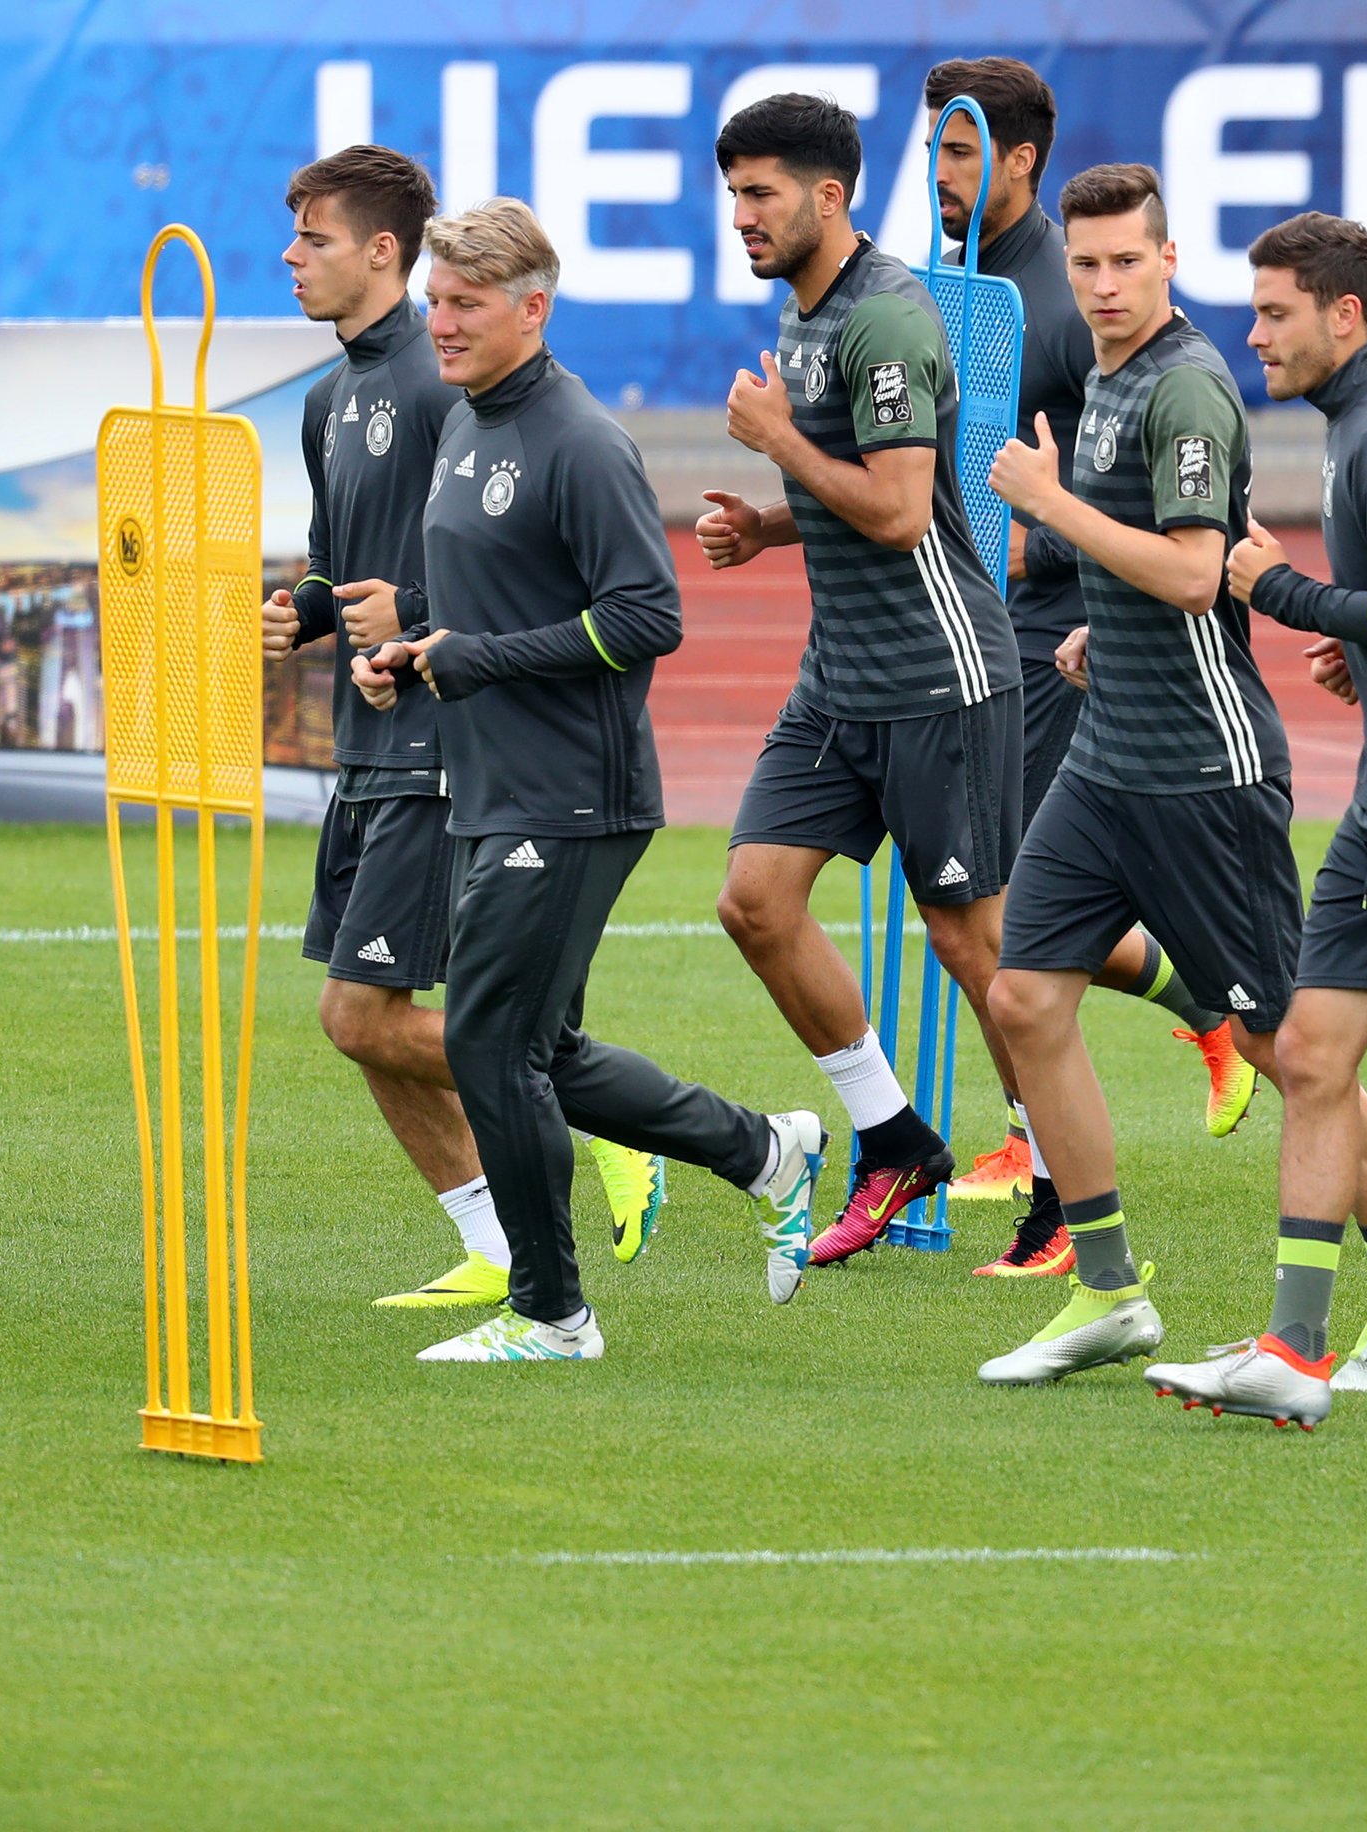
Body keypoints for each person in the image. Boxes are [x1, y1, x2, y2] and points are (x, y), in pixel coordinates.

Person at [353, 200, 823, 1357]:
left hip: (573, 793)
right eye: (435, 302)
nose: (442, 323)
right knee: (539, 1051)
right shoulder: (467, 424)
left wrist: (473, 659)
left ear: (533, 308)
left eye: (464, 304)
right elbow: (484, 604)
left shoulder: (579, 439)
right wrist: (412, 649)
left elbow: (645, 616)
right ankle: (766, 1147)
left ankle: (552, 1312)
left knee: (484, 1043)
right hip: (491, 783)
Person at [975, 165, 1367, 1384]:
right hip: (1110, 758)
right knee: (1025, 998)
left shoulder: (1188, 387)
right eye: (1084, 265)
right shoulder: (1107, 377)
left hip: (1204, 767)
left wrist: (1048, 508)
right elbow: (1144, 564)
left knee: (1284, 1046)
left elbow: (1201, 574)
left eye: (1123, 264)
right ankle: (1109, 1293)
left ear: (1167, 259)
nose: (1100, 285)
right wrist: (1103, 617)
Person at [261, 144, 662, 1308]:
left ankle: (601, 1119)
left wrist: (420, 621)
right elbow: (348, 568)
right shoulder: (330, 398)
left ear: (381, 250)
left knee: (369, 1009)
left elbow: (510, 567)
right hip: (365, 735)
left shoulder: (454, 383)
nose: (292, 258)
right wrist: (309, 612)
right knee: (358, 1018)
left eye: (316, 239)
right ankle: (495, 1242)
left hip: (446, 745)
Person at [1138, 212, 1367, 1422]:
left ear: (1344, 315)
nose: (1254, 335)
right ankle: (1295, 1353)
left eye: (1276, 314)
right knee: (1306, 1053)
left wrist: (1291, 595)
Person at [916, 57, 1254, 1262]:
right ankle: (1066, 1118)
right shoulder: (956, 285)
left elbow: (1129, 510)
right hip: (989, 625)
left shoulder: (1074, 322)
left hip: (1048, 641)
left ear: (1016, 163)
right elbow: (949, 469)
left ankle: (1183, 1040)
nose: (938, 171)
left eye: (959, 150)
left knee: (990, 909)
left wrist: (1045, 548)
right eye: (931, 147)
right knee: (977, 910)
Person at [696, 93, 1025, 1269]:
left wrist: (778, 446)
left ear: (829, 197)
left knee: (973, 943)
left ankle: (1054, 1172)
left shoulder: (886, 317)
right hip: (841, 677)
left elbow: (897, 510)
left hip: (938, 675)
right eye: (734, 192)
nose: (741, 215)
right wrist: (772, 525)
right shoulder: (805, 312)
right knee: (755, 900)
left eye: (761, 193)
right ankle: (894, 1135)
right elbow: (865, 490)